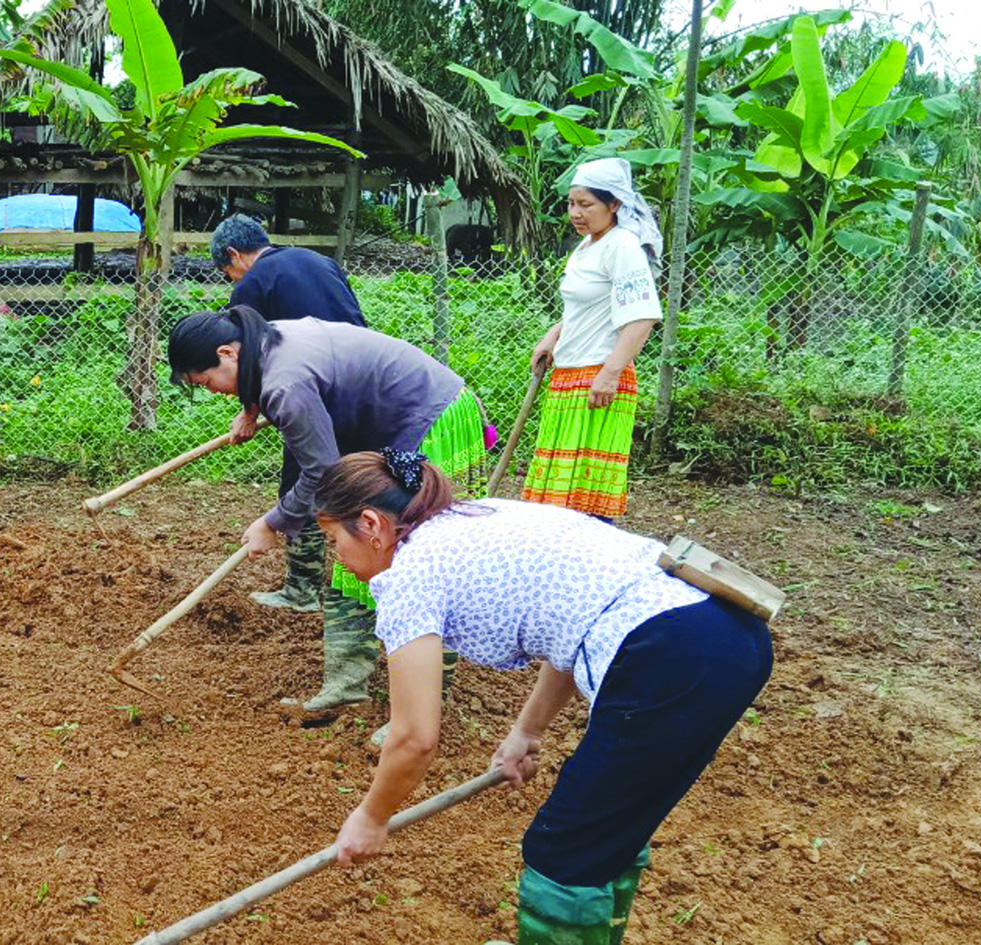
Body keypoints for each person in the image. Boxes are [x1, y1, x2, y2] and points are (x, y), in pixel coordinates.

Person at [317, 449, 772, 945]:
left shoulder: (410, 575)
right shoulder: (477, 516)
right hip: (725, 633)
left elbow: (414, 738)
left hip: (670, 657)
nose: (335, 555)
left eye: (332, 538)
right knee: (605, 830)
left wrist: (371, 816)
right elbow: (570, 624)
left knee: (566, 854)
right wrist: (526, 732)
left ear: (370, 524)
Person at [167, 306, 488, 721]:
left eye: (205, 381)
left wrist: (273, 523)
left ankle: (421, 715)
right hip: (391, 427)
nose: (211, 391)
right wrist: (250, 406)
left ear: (228, 353)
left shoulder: (285, 384)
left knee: (420, 566)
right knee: (355, 556)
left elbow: (321, 472)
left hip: (431, 420)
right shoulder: (264, 340)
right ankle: (346, 688)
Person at [211, 214, 368, 616]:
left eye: (226, 271)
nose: (232, 279)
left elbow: (249, 358)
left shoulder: (251, 285)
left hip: (307, 389)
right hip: (360, 381)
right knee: (357, 478)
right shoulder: (320, 262)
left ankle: (301, 588)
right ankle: (366, 573)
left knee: (301, 478)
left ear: (234, 255)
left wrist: (248, 412)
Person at [523, 157, 663, 522]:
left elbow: (642, 317)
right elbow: (582, 307)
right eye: (572, 203)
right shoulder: (587, 246)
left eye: (586, 204)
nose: (575, 212)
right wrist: (554, 334)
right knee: (559, 496)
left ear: (614, 204)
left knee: (585, 502)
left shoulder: (623, 246)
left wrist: (610, 373)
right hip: (568, 378)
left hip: (597, 382)